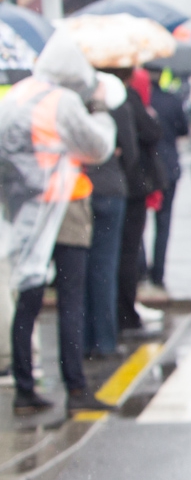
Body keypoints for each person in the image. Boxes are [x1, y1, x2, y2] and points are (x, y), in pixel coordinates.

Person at [1, 35, 115, 414]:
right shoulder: (62, 101)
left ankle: (24, 389)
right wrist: (98, 110)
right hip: (65, 204)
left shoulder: (16, 96)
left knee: (29, 297)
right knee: (71, 299)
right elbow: (96, 147)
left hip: (25, 207)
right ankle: (77, 389)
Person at [82, 78, 138, 357]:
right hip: (110, 188)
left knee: (79, 270)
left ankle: (81, 342)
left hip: (81, 190)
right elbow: (131, 153)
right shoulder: (116, 104)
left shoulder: (75, 104)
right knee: (104, 267)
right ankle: (104, 340)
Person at [116, 67, 165, 335]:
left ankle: (121, 313)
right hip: (131, 186)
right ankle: (126, 314)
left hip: (118, 185)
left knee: (119, 253)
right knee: (127, 251)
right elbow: (150, 132)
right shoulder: (127, 97)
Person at [144, 61, 188, 298]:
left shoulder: (140, 102)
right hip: (168, 166)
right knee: (163, 223)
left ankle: (140, 268)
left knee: (138, 224)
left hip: (144, 170)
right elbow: (184, 129)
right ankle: (157, 274)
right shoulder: (171, 100)